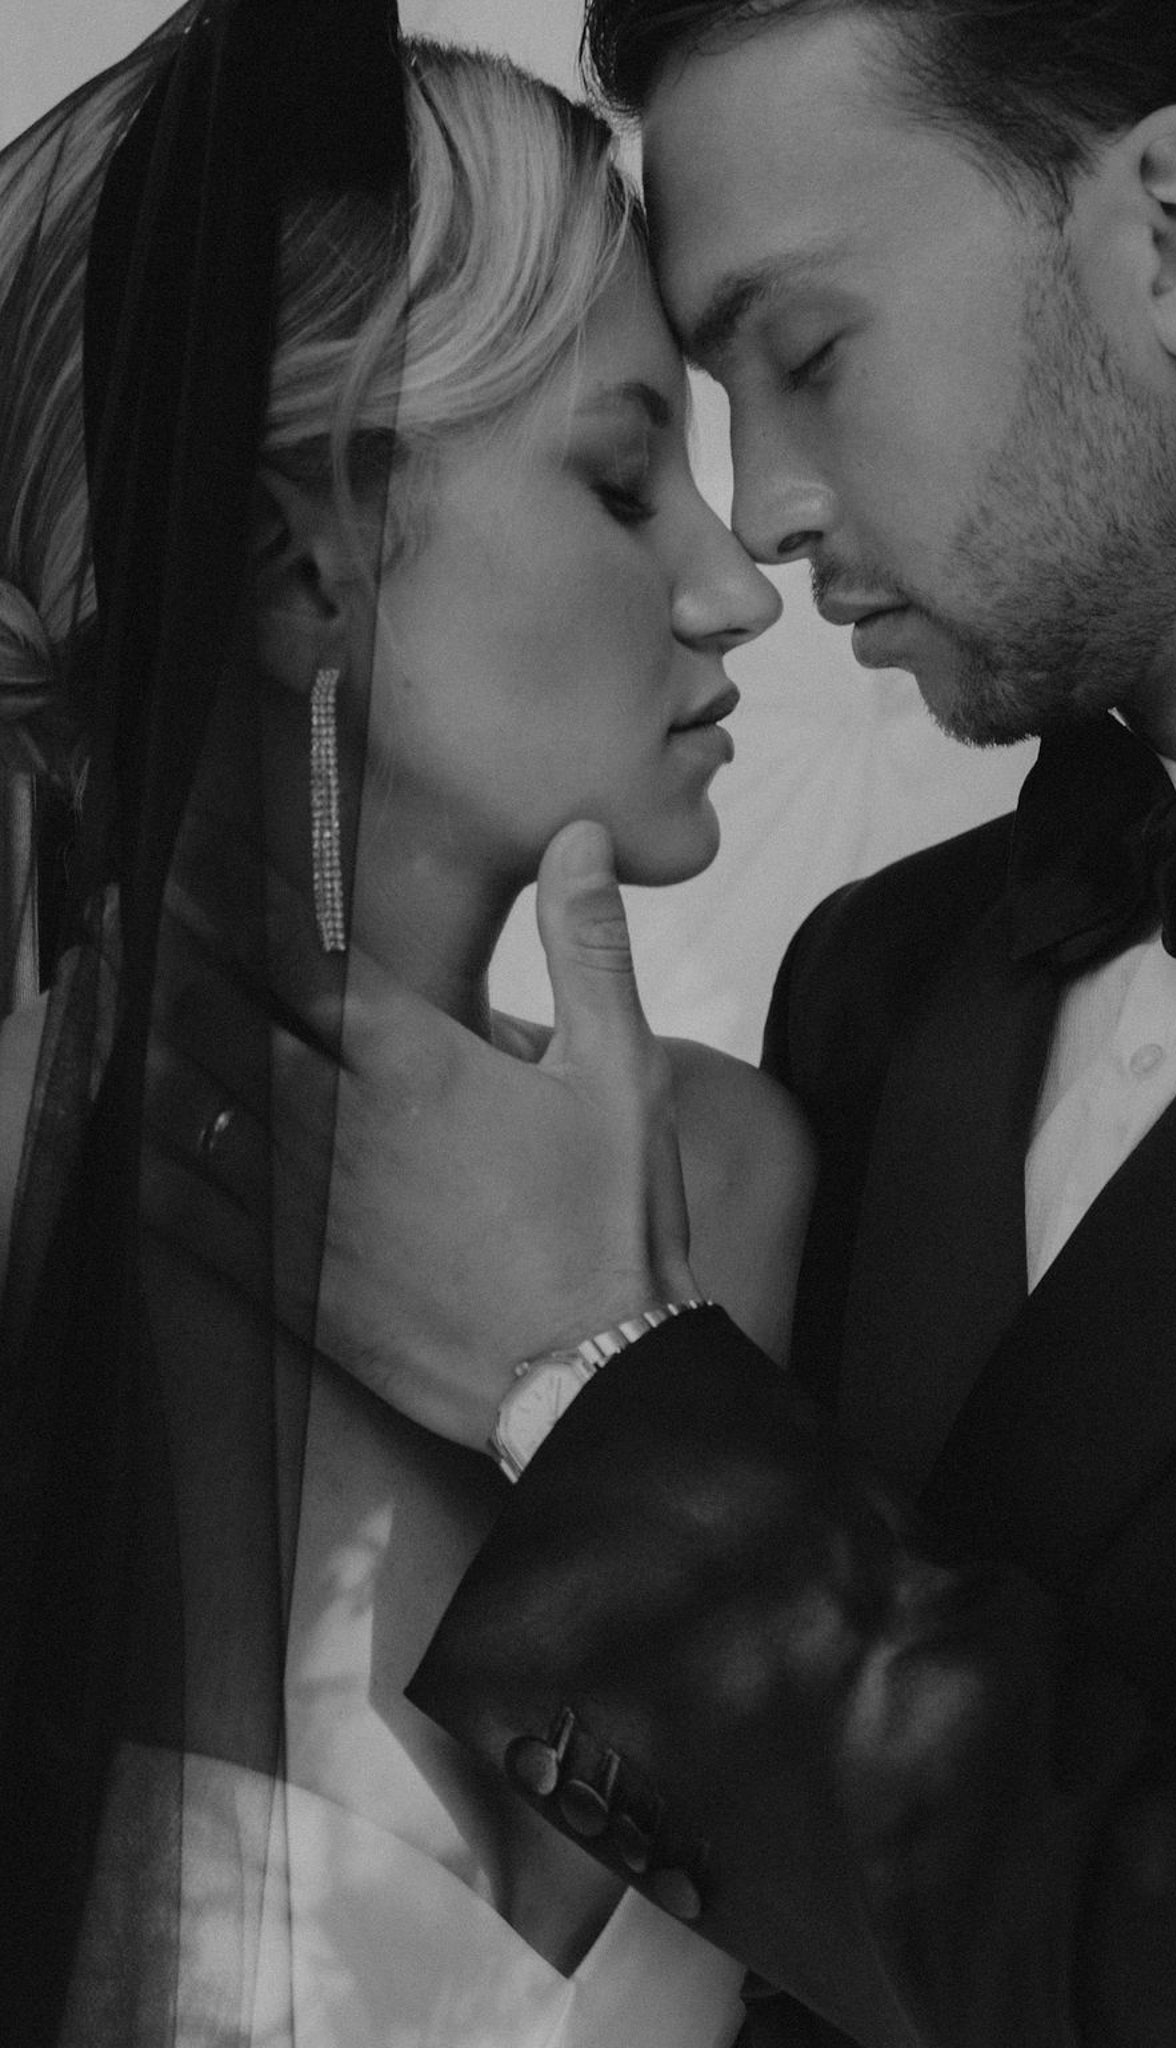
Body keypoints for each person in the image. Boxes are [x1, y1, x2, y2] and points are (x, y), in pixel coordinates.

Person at [377, 3, 1176, 2044]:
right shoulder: (876, 984)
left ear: (1175, 233)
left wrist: (591, 1396)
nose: (761, 515)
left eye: (806, 356)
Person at [0, 3, 801, 2043]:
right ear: (293, 566)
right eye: (627, 483)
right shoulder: (34, 1204)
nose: (737, 588)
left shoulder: (736, 1172)